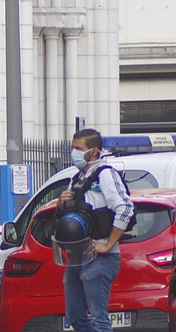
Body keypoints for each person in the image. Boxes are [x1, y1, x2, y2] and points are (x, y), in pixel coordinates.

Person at [57, 128, 135, 332]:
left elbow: (125, 208)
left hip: (100, 258)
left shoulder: (106, 174)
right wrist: (62, 203)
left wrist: (108, 244)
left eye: (78, 149)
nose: (73, 153)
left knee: (99, 319)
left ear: (94, 151)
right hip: (77, 257)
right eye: (72, 148)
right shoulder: (76, 179)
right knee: (75, 316)